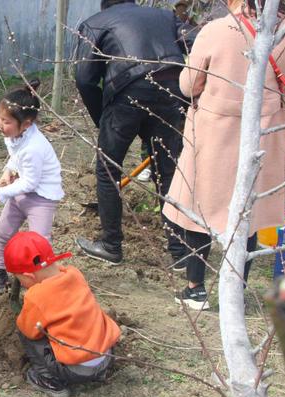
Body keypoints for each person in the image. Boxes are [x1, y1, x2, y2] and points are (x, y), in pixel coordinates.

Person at [163, 0, 285, 310]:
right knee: (249, 209)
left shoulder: (218, 29)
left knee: (202, 207)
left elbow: (188, 84)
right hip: (266, 131)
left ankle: (196, 289)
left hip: (215, 129)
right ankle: (234, 292)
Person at [74, 0, 195, 268]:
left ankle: (111, 245)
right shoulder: (166, 17)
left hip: (126, 93)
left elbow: (84, 78)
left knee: (108, 169)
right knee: (169, 171)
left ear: (106, 5)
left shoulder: (96, 23)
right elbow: (196, 43)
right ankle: (181, 251)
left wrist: (101, 118)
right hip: (171, 88)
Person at [5, 231, 120, 397]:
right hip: (106, 356)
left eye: (21, 281)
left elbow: (29, 330)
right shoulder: (74, 274)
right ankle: (99, 373)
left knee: (26, 331)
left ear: (29, 276)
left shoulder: (37, 296)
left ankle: (48, 380)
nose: (22, 285)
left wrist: (26, 316)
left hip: (77, 370)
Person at [0, 79, 64, 295]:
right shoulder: (13, 135)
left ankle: (45, 284)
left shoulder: (35, 147)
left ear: (27, 124)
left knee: (39, 243)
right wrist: (8, 171)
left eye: (6, 121)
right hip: (21, 193)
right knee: (3, 231)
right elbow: (15, 156)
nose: (0, 124)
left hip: (41, 198)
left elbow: (30, 181)